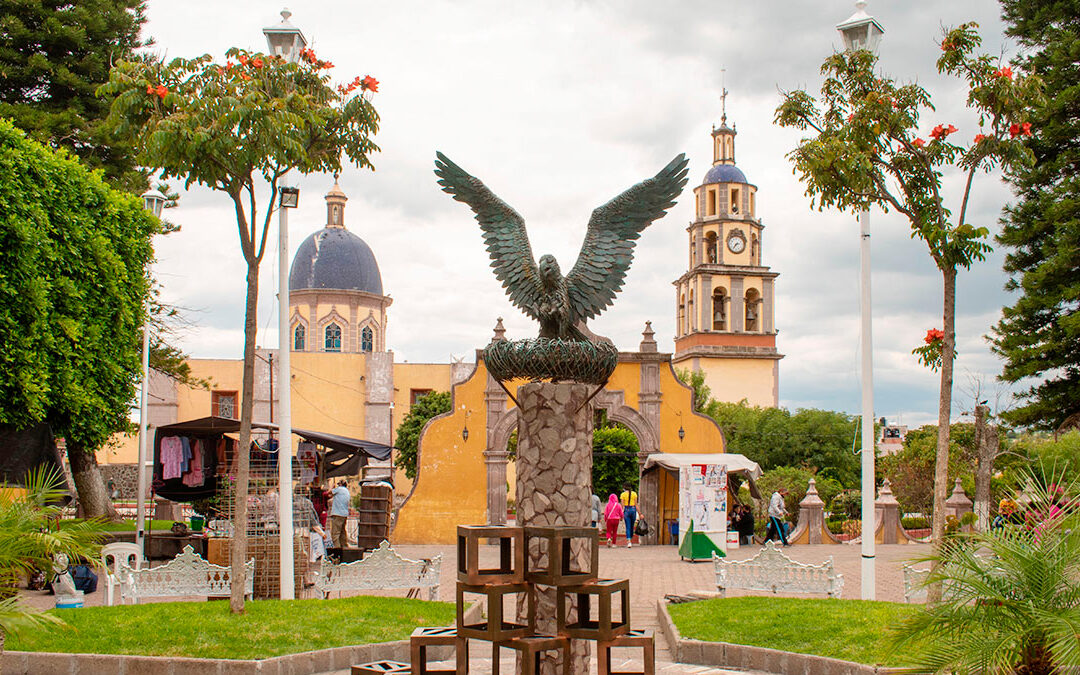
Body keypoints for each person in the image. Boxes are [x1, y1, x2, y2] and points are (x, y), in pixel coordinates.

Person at [328, 480, 351, 548]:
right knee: (342, 533)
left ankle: (337, 549)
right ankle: (344, 547)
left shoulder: (339, 489)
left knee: (335, 534)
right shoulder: (346, 491)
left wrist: (332, 487)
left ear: (341, 484)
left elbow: (329, 493)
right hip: (344, 514)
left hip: (338, 514)